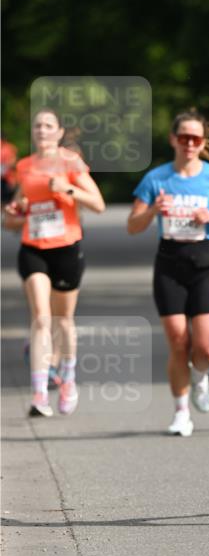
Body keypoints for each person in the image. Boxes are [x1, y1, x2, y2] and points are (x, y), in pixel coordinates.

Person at [128, 109, 209, 437]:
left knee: (205, 349)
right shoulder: (156, 178)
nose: (190, 143)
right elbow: (132, 226)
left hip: (204, 263)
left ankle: (201, 375)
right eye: (184, 137)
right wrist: (151, 211)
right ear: (173, 139)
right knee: (178, 342)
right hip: (169, 263)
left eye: (196, 138)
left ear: (202, 142)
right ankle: (180, 412)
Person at [3, 109, 105, 417]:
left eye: (49, 126)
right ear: (33, 132)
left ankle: (68, 379)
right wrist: (15, 211)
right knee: (41, 318)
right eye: (38, 126)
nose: (43, 130)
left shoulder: (71, 163)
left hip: (66, 249)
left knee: (62, 321)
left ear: (59, 132)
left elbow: (98, 204)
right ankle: (38, 394)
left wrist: (67, 189)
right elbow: (11, 218)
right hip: (33, 248)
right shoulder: (25, 166)